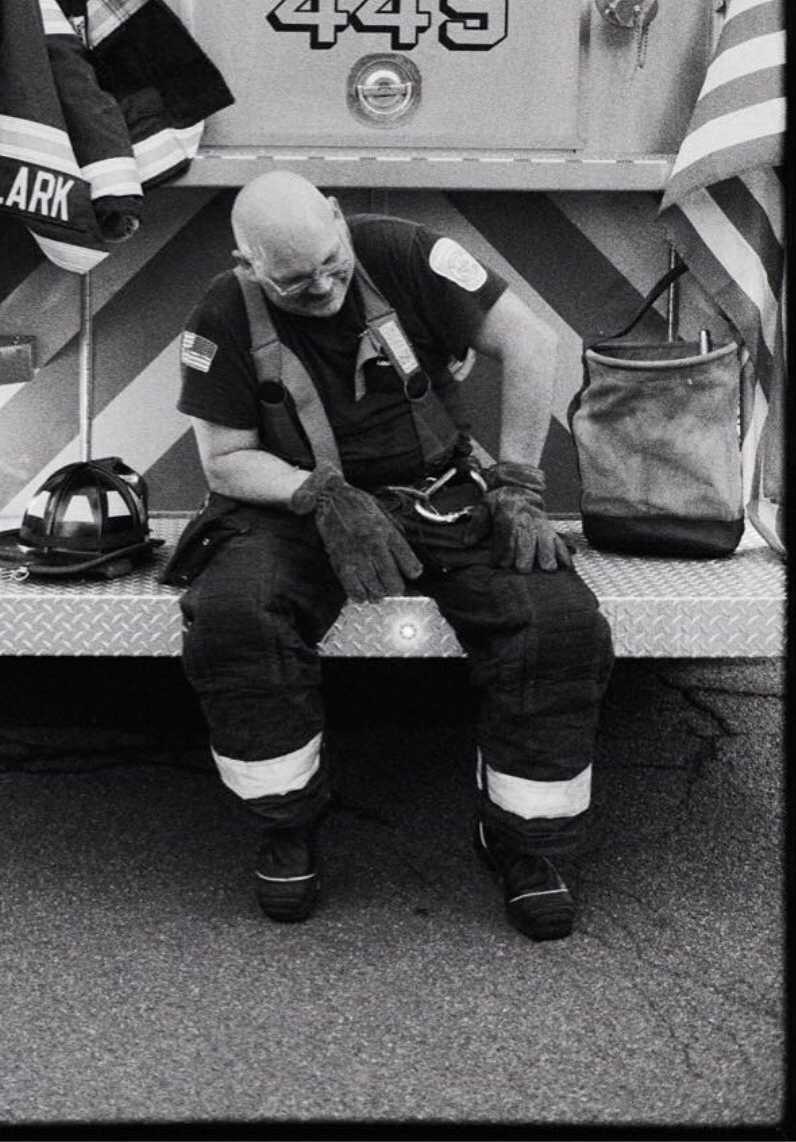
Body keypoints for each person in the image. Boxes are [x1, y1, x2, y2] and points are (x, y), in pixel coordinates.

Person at [165, 172, 614, 940]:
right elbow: (228, 460)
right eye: (294, 281)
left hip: (441, 491)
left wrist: (517, 487)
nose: (322, 288)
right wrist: (319, 496)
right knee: (237, 616)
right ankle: (288, 823)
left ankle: (525, 843)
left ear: (338, 219)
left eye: (332, 264)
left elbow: (531, 342)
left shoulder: (407, 252)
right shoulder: (222, 311)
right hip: (300, 504)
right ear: (249, 262)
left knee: (557, 624)